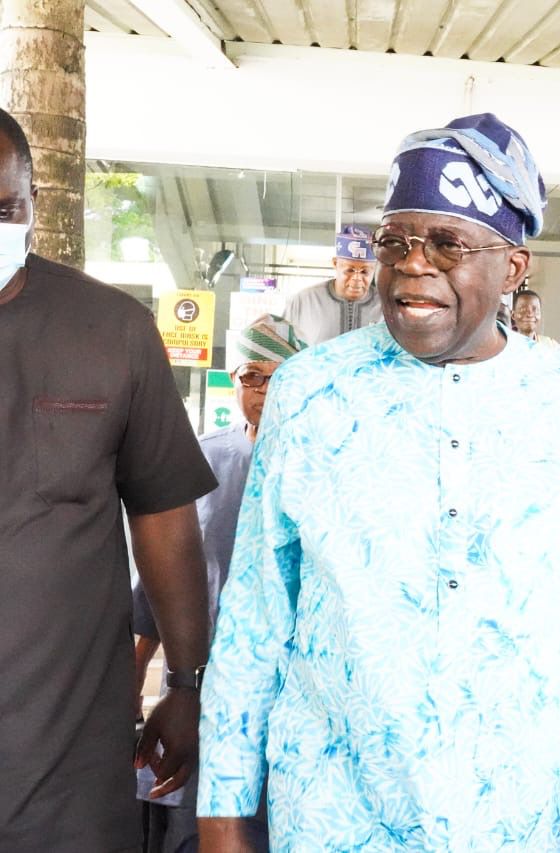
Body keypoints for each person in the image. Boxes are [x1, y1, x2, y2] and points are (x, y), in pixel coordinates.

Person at [197, 113, 560, 853]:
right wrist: (221, 809)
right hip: (332, 815)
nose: (414, 264)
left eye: (447, 243)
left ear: (512, 267)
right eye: (397, 241)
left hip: (518, 821)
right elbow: (255, 612)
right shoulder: (312, 392)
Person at [0, 108, 216, 851]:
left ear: (32, 203)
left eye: (4, 209)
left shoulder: (111, 329)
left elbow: (164, 517)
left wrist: (185, 684)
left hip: (65, 768)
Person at [132, 315, 306, 853]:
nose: (265, 392)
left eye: (280, 376)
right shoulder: (200, 460)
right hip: (201, 688)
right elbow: (160, 582)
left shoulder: (322, 464)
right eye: (252, 377)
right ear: (233, 381)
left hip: (290, 691)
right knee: (194, 823)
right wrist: (132, 679)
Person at [281, 225, 382, 344]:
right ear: (335, 263)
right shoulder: (304, 300)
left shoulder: (385, 306)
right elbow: (281, 345)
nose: (357, 278)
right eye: (349, 270)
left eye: (365, 272)